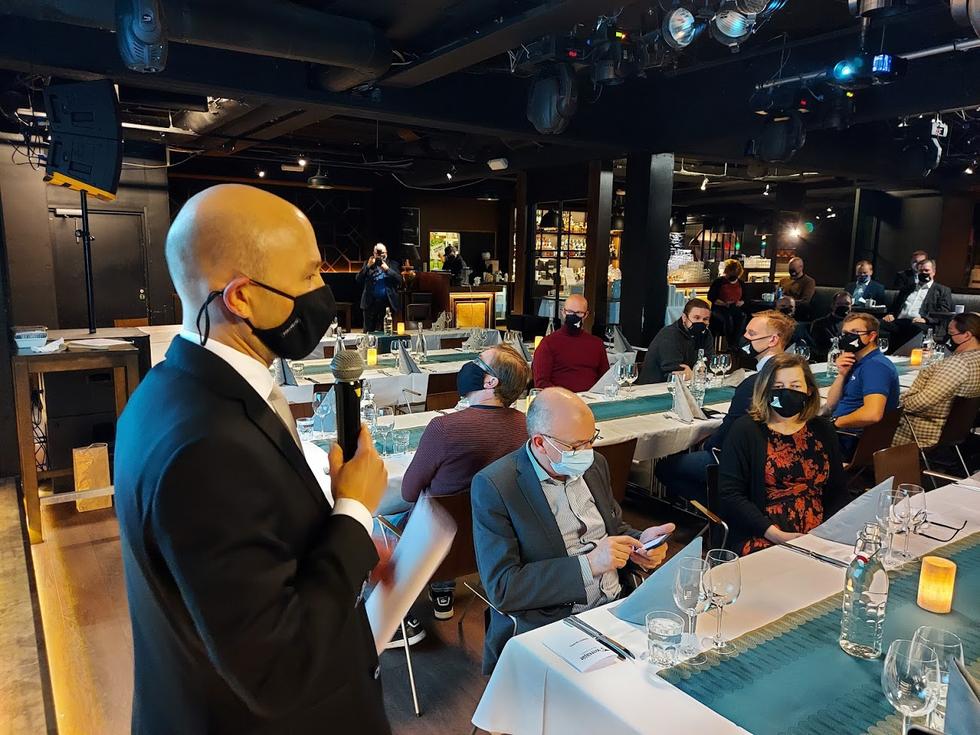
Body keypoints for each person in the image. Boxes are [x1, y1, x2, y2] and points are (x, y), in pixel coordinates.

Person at [114, 185, 391, 734]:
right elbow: (276, 671)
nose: (321, 292)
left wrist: (345, 543)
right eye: (309, 276)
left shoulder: (167, 389)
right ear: (241, 298)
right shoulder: (207, 447)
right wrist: (355, 512)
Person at [472, 388, 675, 673]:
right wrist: (589, 565)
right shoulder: (497, 485)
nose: (587, 452)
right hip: (556, 619)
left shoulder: (595, 465)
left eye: (591, 440)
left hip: (618, 604)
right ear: (540, 443)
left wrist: (640, 542)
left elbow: (613, 527)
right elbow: (503, 588)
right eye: (577, 446)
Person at [401, 344, 532, 619]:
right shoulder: (526, 426)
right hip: (492, 543)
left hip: (434, 543)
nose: (469, 366)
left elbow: (408, 492)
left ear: (490, 381)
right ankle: (442, 586)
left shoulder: (444, 428)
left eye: (478, 361)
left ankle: (390, 613)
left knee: (378, 517)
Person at [654, 310, 794, 503]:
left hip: (741, 463)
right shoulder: (794, 375)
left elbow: (728, 432)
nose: (744, 338)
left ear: (772, 340)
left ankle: (721, 507)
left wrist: (706, 445)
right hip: (778, 460)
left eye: (751, 334)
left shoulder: (755, 383)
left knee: (665, 468)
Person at [718, 353, 847, 556]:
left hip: (819, 534)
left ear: (809, 390)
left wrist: (829, 535)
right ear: (766, 390)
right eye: (778, 387)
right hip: (762, 533)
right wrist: (775, 535)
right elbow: (730, 495)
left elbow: (837, 490)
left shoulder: (822, 429)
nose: (787, 392)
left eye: (795, 386)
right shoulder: (746, 430)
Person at [893, 312, 980, 448]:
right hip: (955, 433)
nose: (946, 338)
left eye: (951, 333)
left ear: (967, 335)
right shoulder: (975, 359)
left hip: (918, 433)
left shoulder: (957, 364)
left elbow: (922, 402)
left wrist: (897, 404)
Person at [824, 312, 900, 456]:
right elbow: (831, 404)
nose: (848, 337)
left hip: (849, 440)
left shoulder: (875, 366)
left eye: (855, 332)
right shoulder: (858, 362)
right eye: (845, 333)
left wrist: (835, 423)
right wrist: (842, 374)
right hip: (842, 434)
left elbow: (873, 414)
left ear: (872, 336)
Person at [532, 295, 609, 392]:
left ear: (586, 315)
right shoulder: (548, 343)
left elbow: (605, 379)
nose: (574, 316)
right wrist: (566, 397)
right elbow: (541, 383)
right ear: (563, 312)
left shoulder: (597, 344)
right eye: (570, 312)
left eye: (579, 313)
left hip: (592, 398)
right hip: (559, 399)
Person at [637, 297, 714, 384]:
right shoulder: (669, 336)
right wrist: (697, 373)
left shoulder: (706, 334)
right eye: (696, 318)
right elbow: (675, 372)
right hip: (656, 387)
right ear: (684, 317)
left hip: (690, 385)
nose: (701, 322)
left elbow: (709, 365)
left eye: (705, 319)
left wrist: (694, 373)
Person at [882, 259, 954, 350]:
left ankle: (902, 353)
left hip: (922, 323)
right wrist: (890, 314)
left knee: (914, 328)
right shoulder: (907, 288)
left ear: (934, 272)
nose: (923, 273)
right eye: (920, 271)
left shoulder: (942, 290)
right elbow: (895, 306)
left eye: (926, 270)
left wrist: (926, 319)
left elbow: (944, 312)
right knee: (878, 324)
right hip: (900, 321)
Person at [356, 242, 402, 332]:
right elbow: (358, 279)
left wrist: (387, 269)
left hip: (386, 303)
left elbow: (399, 280)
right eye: (377, 253)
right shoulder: (368, 263)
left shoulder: (393, 264)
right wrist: (368, 266)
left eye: (382, 253)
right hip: (370, 303)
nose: (380, 256)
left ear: (386, 253)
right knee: (368, 332)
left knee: (385, 331)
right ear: (374, 254)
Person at [707, 259, 745, 348]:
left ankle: (736, 343)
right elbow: (711, 297)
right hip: (719, 309)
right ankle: (730, 343)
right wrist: (724, 303)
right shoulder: (718, 282)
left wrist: (741, 302)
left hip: (734, 308)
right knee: (728, 318)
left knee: (742, 317)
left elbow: (745, 298)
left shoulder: (741, 283)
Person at [808, 291, 853, 359]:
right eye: (839, 304)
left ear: (851, 306)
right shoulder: (820, 324)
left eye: (847, 304)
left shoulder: (857, 324)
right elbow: (817, 350)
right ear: (832, 305)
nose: (843, 306)